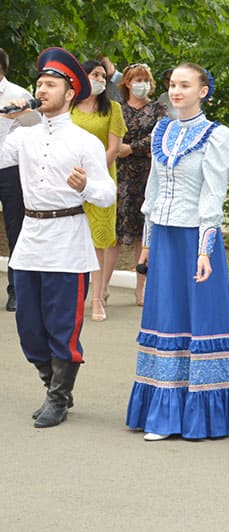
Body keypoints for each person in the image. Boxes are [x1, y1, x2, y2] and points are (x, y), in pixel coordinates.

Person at [124, 63, 229, 441]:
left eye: (185, 85)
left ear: (203, 91)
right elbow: (152, 193)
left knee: (197, 319)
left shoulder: (217, 136)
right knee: (165, 317)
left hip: (195, 240)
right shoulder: (162, 130)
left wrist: (205, 250)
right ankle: (162, 409)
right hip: (164, 237)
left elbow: (213, 196)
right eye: (172, 85)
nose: (176, 91)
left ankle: (204, 412)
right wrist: (147, 244)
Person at [0, 47, 116, 428]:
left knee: (63, 327)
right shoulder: (25, 135)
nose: (42, 89)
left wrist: (84, 188)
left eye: (50, 84)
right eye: (39, 84)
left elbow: (106, 193)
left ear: (69, 94)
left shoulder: (85, 142)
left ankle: (59, 396)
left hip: (67, 241)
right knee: (29, 329)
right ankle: (52, 383)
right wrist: (12, 118)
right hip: (31, 238)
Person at [71, 59, 127, 321]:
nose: (100, 80)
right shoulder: (67, 108)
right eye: (95, 74)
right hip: (69, 183)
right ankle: (73, 298)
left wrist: (92, 175)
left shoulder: (112, 109)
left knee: (99, 241)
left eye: (103, 76)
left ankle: (97, 298)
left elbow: (114, 149)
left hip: (101, 181)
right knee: (70, 240)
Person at [112, 63, 166, 306]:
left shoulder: (158, 109)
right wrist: (119, 149)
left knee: (143, 234)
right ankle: (102, 288)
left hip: (147, 176)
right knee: (115, 232)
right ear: (127, 83)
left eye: (145, 79)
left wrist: (131, 148)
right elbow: (111, 136)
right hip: (119, 176)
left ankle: (141, 288)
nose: (141, 84)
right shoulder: (117, 109)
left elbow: (159, 137)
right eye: (136, 79)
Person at [0, 48, 42, 312]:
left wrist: (21, 115)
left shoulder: (18, 94)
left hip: (10, 169)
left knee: (16, 229)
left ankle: (16, 290)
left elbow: (38, 127)